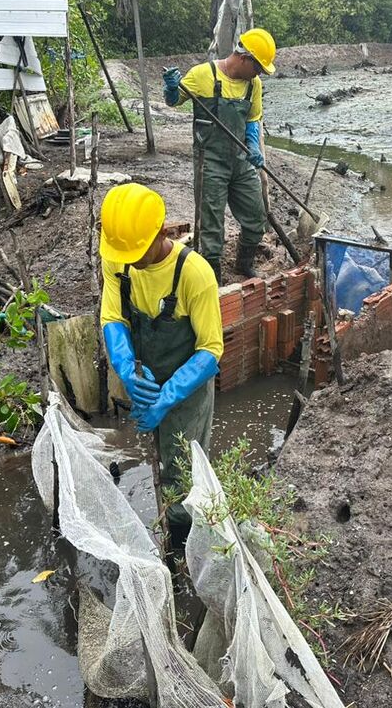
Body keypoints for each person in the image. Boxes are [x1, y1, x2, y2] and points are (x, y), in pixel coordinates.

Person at [98, 183, 223, 548]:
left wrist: (168, 396)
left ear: (162, 233)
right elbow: (112, 317)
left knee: (183, 469)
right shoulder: (118, 259)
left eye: (137, 251)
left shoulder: (194, 274)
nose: (131, 260)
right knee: (158, 455)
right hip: (145, 375)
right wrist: (126, 370)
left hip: (188, 383)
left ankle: (183, 545)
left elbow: (211, 349)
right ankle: (171, 526)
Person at [162, 28, 278, 283]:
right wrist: (171, 89)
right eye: (258, 67)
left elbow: (252, 120)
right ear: (244, 58)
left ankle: (243, 264)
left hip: (240, 160)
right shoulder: (203, 75)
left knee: (256, 216)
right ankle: (211, 275)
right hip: (210, 160)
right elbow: (174, 101)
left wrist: (253, 147)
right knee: (211, 223)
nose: (259, 73)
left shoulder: (253, 85)